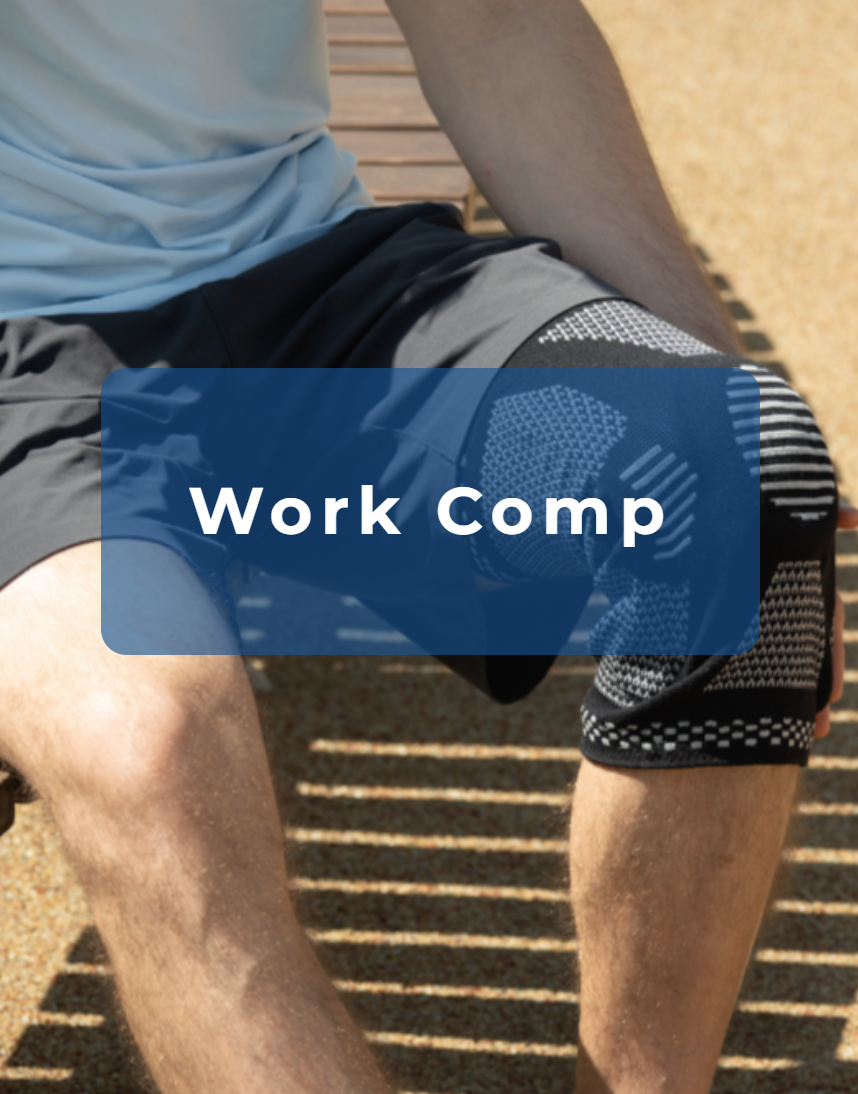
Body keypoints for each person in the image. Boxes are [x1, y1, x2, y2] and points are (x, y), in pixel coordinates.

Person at [0, 1, 854, 1092]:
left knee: (735, 476)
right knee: (150, 743)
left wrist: (732, 422)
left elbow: (497, 24)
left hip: (313, 283)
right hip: (19, 373)